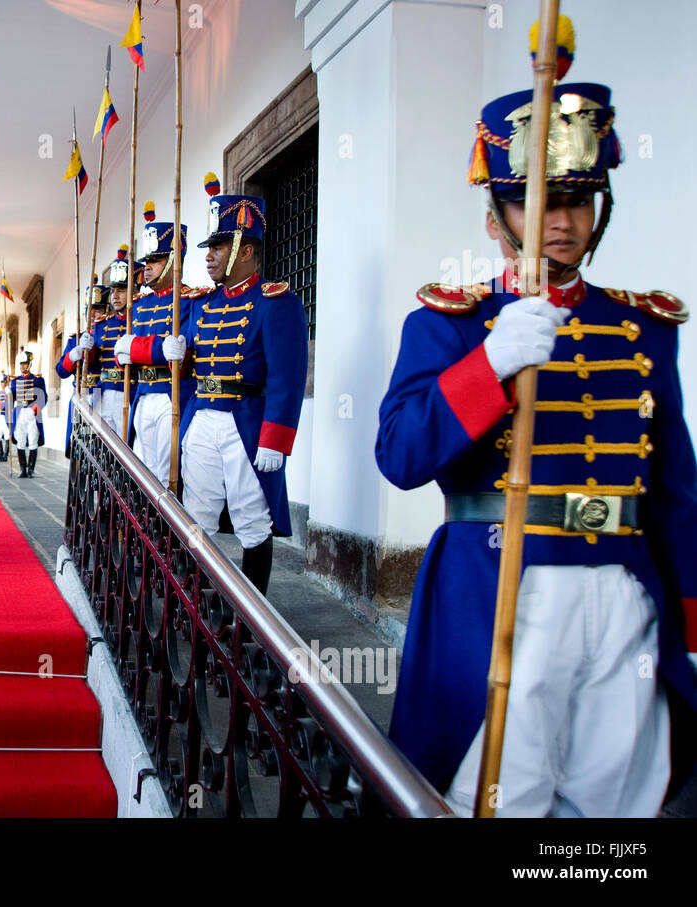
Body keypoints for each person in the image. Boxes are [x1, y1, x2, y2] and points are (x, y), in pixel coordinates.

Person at [377, 18, 696, 817]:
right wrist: (487, 366)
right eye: (536, 198)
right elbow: (401, 453)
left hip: (625, 597)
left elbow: (675, 492)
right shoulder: (449, 322)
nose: (561, 219)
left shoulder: (645, 327)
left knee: (616, 807)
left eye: (580, 198)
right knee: (502, 799)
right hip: (502, 592)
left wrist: (688, 616)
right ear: (496, 216)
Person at [162, 176, 307, 596]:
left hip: (246, 422)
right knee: (197, 513)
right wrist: (177, 354)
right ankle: (195, 601)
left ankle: (253, 617)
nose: (207, 257)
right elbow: (189, 365)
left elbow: (288, 376)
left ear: (245, 251)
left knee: (251, 518)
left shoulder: (275, 301)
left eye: (217, 248)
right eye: (208, 248)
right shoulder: (202, 303)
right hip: (202, 418)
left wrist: (275, 439)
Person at [116, 201, 206, 480]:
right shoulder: (139, 304)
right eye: (146, 262)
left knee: (168, 473)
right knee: (143, 472)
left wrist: (137, 348)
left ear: (173, 261)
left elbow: (184, 350)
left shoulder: (191, 300)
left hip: (172, 395)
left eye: (155, 261)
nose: (147, 268)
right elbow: (124, 353)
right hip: (143, 393)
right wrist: (125, 354)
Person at [56, 284, 112, 457]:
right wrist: (73, 355)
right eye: (90, 309)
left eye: (98, 309)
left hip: (104, 397)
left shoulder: (111, 335)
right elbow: (61, 371)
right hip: (82, 394)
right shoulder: (76, 339)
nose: (93, 314)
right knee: (79, 448)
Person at [91, 255, 131, 436]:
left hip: (126, 390)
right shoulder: (102, 325)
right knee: (100, 445)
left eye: (121, 290)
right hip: (103, 389)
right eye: (113, 291)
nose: (115, 296)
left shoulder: (138, 320)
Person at [10, 349, 47, 478]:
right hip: (20, 412)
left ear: (29, 364)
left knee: (33, 440)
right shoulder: (14, 381)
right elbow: (11, 399)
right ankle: (22, 469)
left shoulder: (37, 380)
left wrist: (37, 408)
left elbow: (43, 397)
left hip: (33, 412)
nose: (22, 366)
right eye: (21, 364)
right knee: (20, 440)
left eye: (25, 363)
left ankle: (31, 469)